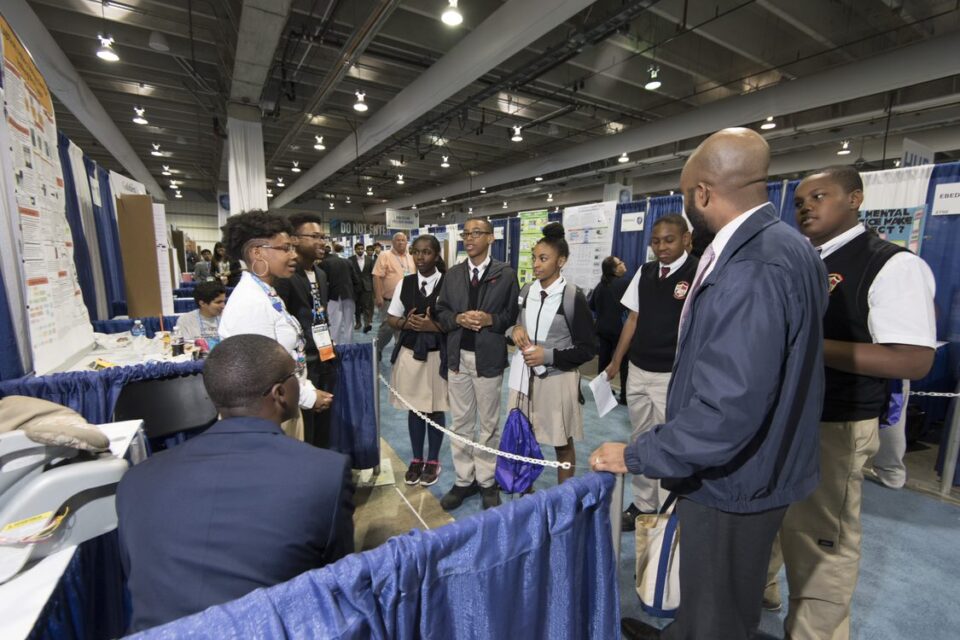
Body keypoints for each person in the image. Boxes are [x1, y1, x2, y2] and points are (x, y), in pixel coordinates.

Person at [590, 128, 828, 640]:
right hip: (762, 465)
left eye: (684, 193)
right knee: (717, 598)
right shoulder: (792, 247)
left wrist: (635, 456)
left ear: (701, 194)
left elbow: (726, 411)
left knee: (718, 611)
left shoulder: (751, 266)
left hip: (734, 479)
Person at [763, 165, 936, 639]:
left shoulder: (891, 264)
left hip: (836, 423)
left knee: (823, 539)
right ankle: (765, 591)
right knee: (776, 514)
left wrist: (804, 343)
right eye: (799, 202)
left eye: (819, 197)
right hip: (787, 417)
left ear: (855, 199)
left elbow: (913, 360)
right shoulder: (803, 260)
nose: (806, 208)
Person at [116, 334, 354, 632]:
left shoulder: (136, 480)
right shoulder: (326, 473)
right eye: (295, 375)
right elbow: (337, 583)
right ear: (280, 393)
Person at [601, 214, 698, 532]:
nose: (661, 247)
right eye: (656, 241)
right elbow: (632, 319)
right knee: (641, 438)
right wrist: (616, 361)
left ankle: (668, 509)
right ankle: (643, 504)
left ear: (685, 239)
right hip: (639, 370)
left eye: (669, 240)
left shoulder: (698, 272)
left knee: (669, 441)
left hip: (672, 374)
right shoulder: (644, 272)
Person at [218, 210, 334, 441]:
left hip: (280, 409)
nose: (293, 255)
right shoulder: (250, 303)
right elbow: (262, 373)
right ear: (257, 252)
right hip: (263, 418)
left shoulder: (265, 293)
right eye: (285, 248)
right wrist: (308, 396)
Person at [436, 218, 519, 510]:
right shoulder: (454, 274)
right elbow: (441, 311)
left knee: (488, 424)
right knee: (460, 423)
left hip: (489, 360)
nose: (469, 238)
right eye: (466, 233)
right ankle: (463, 480)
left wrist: (490, 320)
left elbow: (511, 316)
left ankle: (486, 481)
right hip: (457, 358)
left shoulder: (505, 274)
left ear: (491, 238)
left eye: (476, 233)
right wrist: (457, 319)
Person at [508, 223, 596, 484]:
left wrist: (549, 356)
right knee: (522, 436)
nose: (536, 264)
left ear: (562, 261)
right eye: (534, 258)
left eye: (543, 259)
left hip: (558, 380)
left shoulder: (572, 297)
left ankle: (564, 494)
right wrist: (514, 329)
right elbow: (512, 324)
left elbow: (588, 349)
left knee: (561, 441)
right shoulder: (527, 292)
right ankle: (524, 488)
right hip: (524, 378)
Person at [386, 235, 448, 487]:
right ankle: (417, 458)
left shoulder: (449, 283)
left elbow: (455, 321)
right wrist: (405, 323)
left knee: (434, 407)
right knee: (415, 408)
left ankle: (433, 460)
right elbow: (392, 317)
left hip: (436, 355)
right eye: (417, 252)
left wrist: (433, 325)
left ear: (436, 255)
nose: (421, 257)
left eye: (427, 252)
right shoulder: (406, 283)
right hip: (410, 354)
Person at [275, 213, 337, 449]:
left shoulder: (321, 274)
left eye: (322, 236)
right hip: (301, 365)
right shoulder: (285, 277)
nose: (321, 242)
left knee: (324, 423)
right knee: (305, 428)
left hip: (324, 356)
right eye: (314, 236)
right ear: (295, 240)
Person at [589, 256, 630, 404]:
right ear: (614, 269)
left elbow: (591, 305)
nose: (624, 264)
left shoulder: (600, 286)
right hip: (620, 331)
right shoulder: (626, 284)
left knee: (604, 361)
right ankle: (625, 395)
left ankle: (603, 393)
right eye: (620, 263)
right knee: (624, 362)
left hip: (602, 330)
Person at [373, 232, 416, 360]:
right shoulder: (385, 255)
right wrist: (378, 296)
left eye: (403, 240)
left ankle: (399, 351)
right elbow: (377, 276)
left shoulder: (411, 256)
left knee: (403, 327)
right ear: (392, 242)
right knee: (388, 327)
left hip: (408, 301)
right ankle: (378, 348)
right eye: (398, 240)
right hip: (389, 300)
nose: (401, 242)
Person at [320, 242, 361, 345]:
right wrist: (354, 294)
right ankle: (349, 347)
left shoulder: (323, 264)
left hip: (333, 297)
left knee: (335, 324)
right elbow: (356, 280)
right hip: (349, 295)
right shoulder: (347, 262)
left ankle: (336, 349)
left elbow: (323, 283)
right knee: (349, 324)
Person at [349, 243, 376, 333]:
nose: (360, 250)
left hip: (367, 286)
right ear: (355, 249)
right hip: (355, 287)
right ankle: (358, 323)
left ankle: (367, 323)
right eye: (358, 249)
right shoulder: (350, 260)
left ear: (363, 249)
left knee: (367, 306)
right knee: (356, 306)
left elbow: (372, 274)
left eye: (361, 249)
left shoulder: (369, 260)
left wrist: (373, 287)